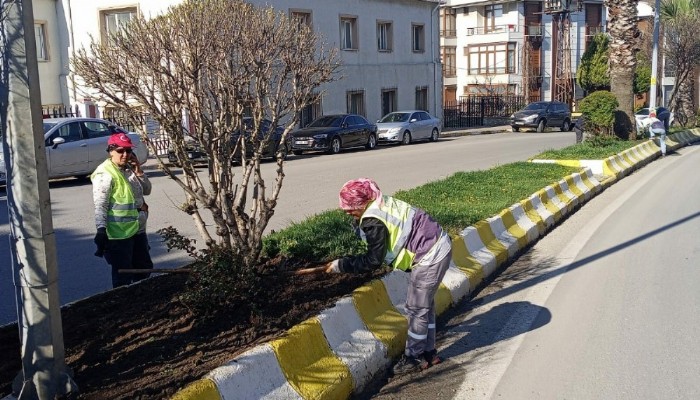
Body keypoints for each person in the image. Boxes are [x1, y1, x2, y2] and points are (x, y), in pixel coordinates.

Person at [323, 178, 453, 376]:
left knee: (417, 308)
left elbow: (373, 260)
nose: (347, 212)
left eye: (350, 208)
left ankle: (414, 357)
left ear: (362, 203)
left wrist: (342, 265)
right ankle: (429, 352)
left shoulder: (373, 220)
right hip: (437, 246)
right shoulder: (380, 203)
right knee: (425, 307)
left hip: (430, 255)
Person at [92, 133, 153, 288]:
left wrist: (138, 169)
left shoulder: (128, 169)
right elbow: (100, 205)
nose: (125, 154)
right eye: (120, 151)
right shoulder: (105, 174)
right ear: (110, 151)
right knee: (123, 276)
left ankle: (142, 304)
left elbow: (146, 190)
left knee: (143, 269)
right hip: (119, 235)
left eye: (128, 150)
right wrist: (101, 230)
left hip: (138, 229)